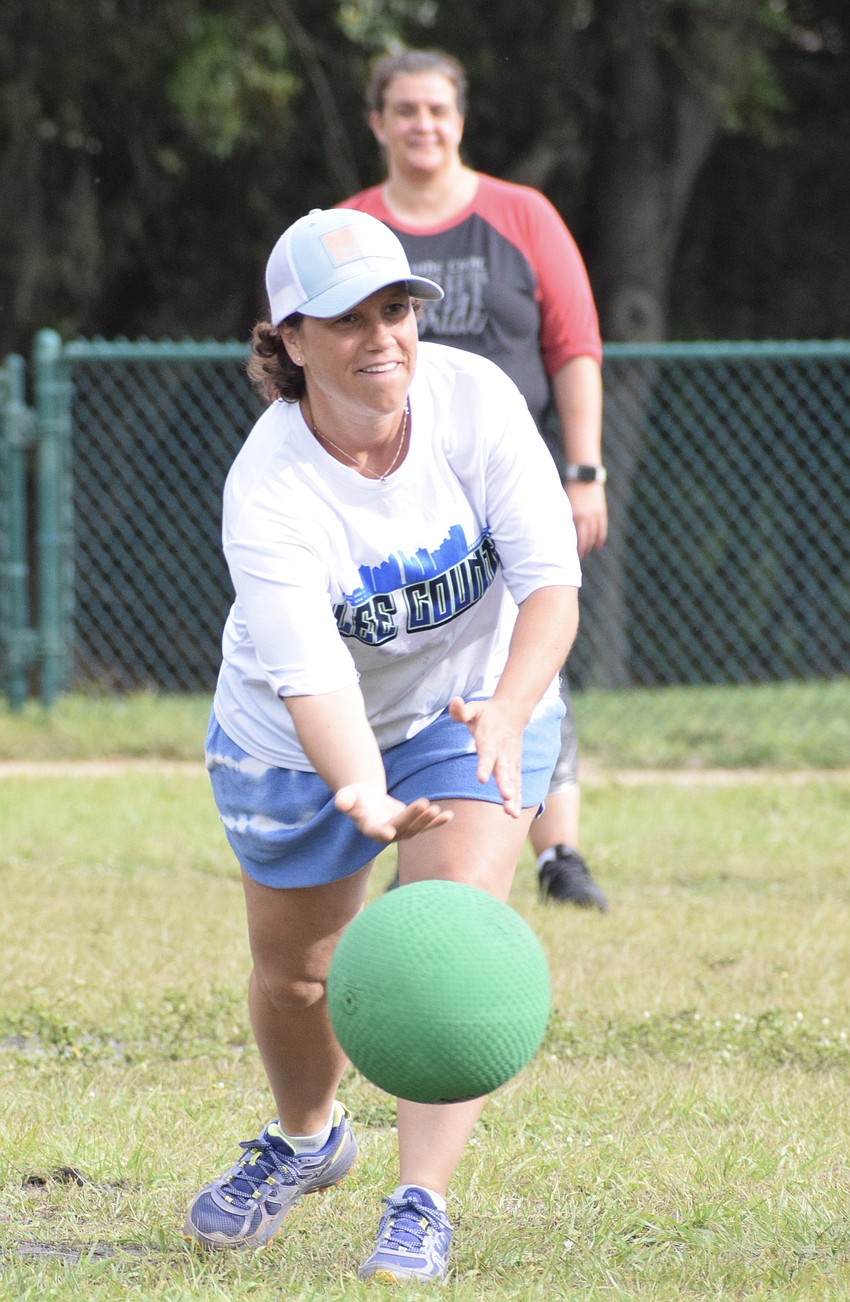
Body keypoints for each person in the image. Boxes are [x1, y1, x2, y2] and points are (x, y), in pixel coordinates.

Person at [183, 207, 581, 1284]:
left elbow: (551, 587)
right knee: (297, 979)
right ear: (289, 340)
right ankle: (308, 1140)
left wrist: (504, 712)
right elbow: (310, 678)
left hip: (467, 712)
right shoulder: (268, 492)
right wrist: (358, 787)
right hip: (292, 740)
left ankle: (420, 1203)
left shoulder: (475, 402)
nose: (382, 338)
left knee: (441, 944)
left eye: (396, 308)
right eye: (347, 318)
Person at [343, 49, 608, 911]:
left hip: (504, 479)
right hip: (387, 488)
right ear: (378, 122)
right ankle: (387, 815)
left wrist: (584, 469)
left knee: (532, 648)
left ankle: (557, 848)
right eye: (406, 110)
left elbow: (573, 345)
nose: (424, 124)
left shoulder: (520, 215)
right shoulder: (350, 227)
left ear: (460, 120)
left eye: (439, 109)